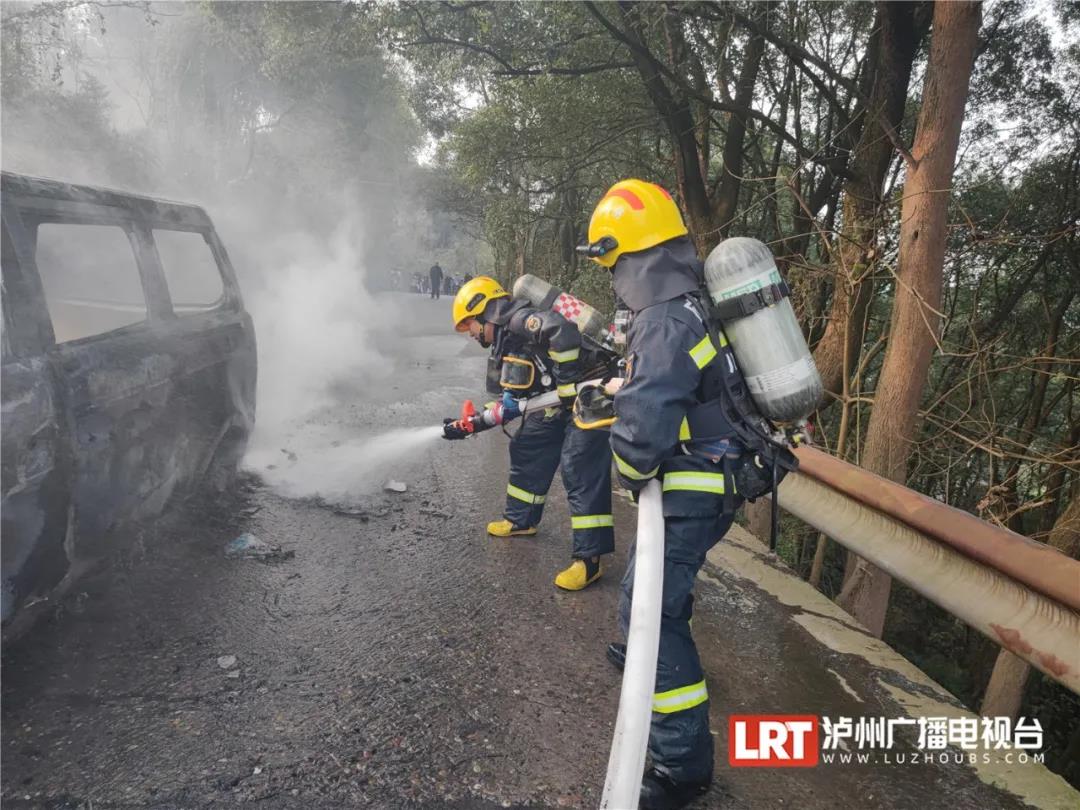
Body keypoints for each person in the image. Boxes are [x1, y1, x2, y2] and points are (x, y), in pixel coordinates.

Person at [579, 179, 750, 809]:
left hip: (695, 486)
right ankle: (639, 653)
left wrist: (627, 461)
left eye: (614, 261)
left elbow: (646, 428)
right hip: (717, 473)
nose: (614, 275)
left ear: (632, 254)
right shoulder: (692, 299)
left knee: (654, 612)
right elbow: (670, 385)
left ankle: (682, 768)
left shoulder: (664, 317)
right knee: (651, 601)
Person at [443, 276, 615, 590]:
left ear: (484, 312)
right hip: (559, 401)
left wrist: (565, 384)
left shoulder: (521, 319)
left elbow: (561, 333)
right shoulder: (506, 338)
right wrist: (473, 423)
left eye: (469, 324)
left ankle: (590, 561)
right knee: (528, 446)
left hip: (592, 392)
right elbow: (512, 399)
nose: (469, 333)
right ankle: (521, 520)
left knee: (579, 466)